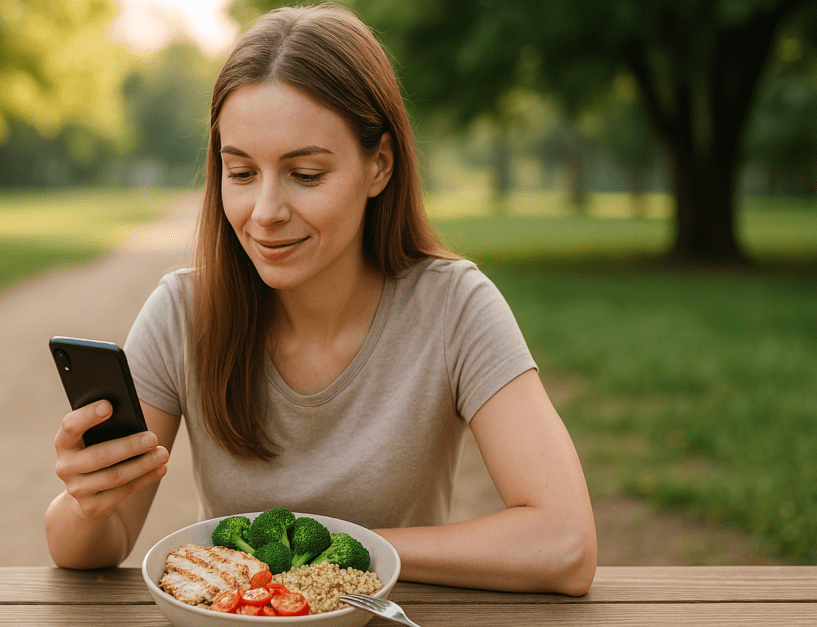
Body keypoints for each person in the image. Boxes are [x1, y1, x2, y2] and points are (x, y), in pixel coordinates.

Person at [45, 3, 596, 595]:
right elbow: (93, 549)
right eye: (241, 173)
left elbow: (564, 544)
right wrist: (88, 503)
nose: (266, 213)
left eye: (305, 174)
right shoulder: (185, 312)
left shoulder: (454, 307)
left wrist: (347, 556)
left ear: (378, 165)